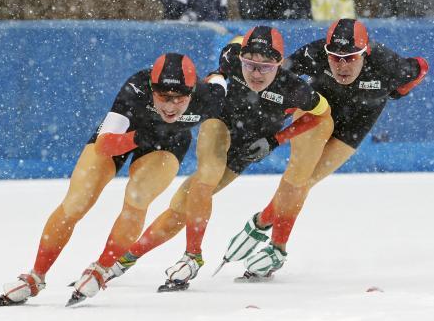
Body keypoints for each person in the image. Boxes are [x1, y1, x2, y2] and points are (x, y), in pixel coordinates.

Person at [104, 25, 333, 292]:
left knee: (181, 208)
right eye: (250, 64)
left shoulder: (296, 90)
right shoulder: (230, 58)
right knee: (207, 175)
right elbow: (233, 47)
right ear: (241, 59)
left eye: (266, 67)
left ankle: (123, 261)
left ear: (280, 64)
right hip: (220, 124)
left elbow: (321, 114)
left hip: (245, 150)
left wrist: (276, 140)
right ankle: (192, 256)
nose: (256, 73)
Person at [0, 53, 227, 306]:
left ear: (192, 92)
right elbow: (105, 146)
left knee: (138, 195)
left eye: (179, 99)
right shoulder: (136, 88)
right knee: (76, 201)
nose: (170, 107)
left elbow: (220, 78)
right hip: (123, 136)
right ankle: (35, 276)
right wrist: (139, 137)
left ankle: (101, 269)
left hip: (168, 144)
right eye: (163, 97)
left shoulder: (208, 95)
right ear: (151, 89)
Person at [220, 18, 429, 280]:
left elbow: (421, 67)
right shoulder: (314, 52)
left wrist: (399, 91)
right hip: (316, 113)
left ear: (366, 53)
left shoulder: (390, 65)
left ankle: (261, 222)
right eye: (335, 57)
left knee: (303, 183)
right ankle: (277, 248)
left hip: (353, 128)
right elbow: (280, 77)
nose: (342, 65)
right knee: (297, 174)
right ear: (326, 51)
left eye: (351, 58)